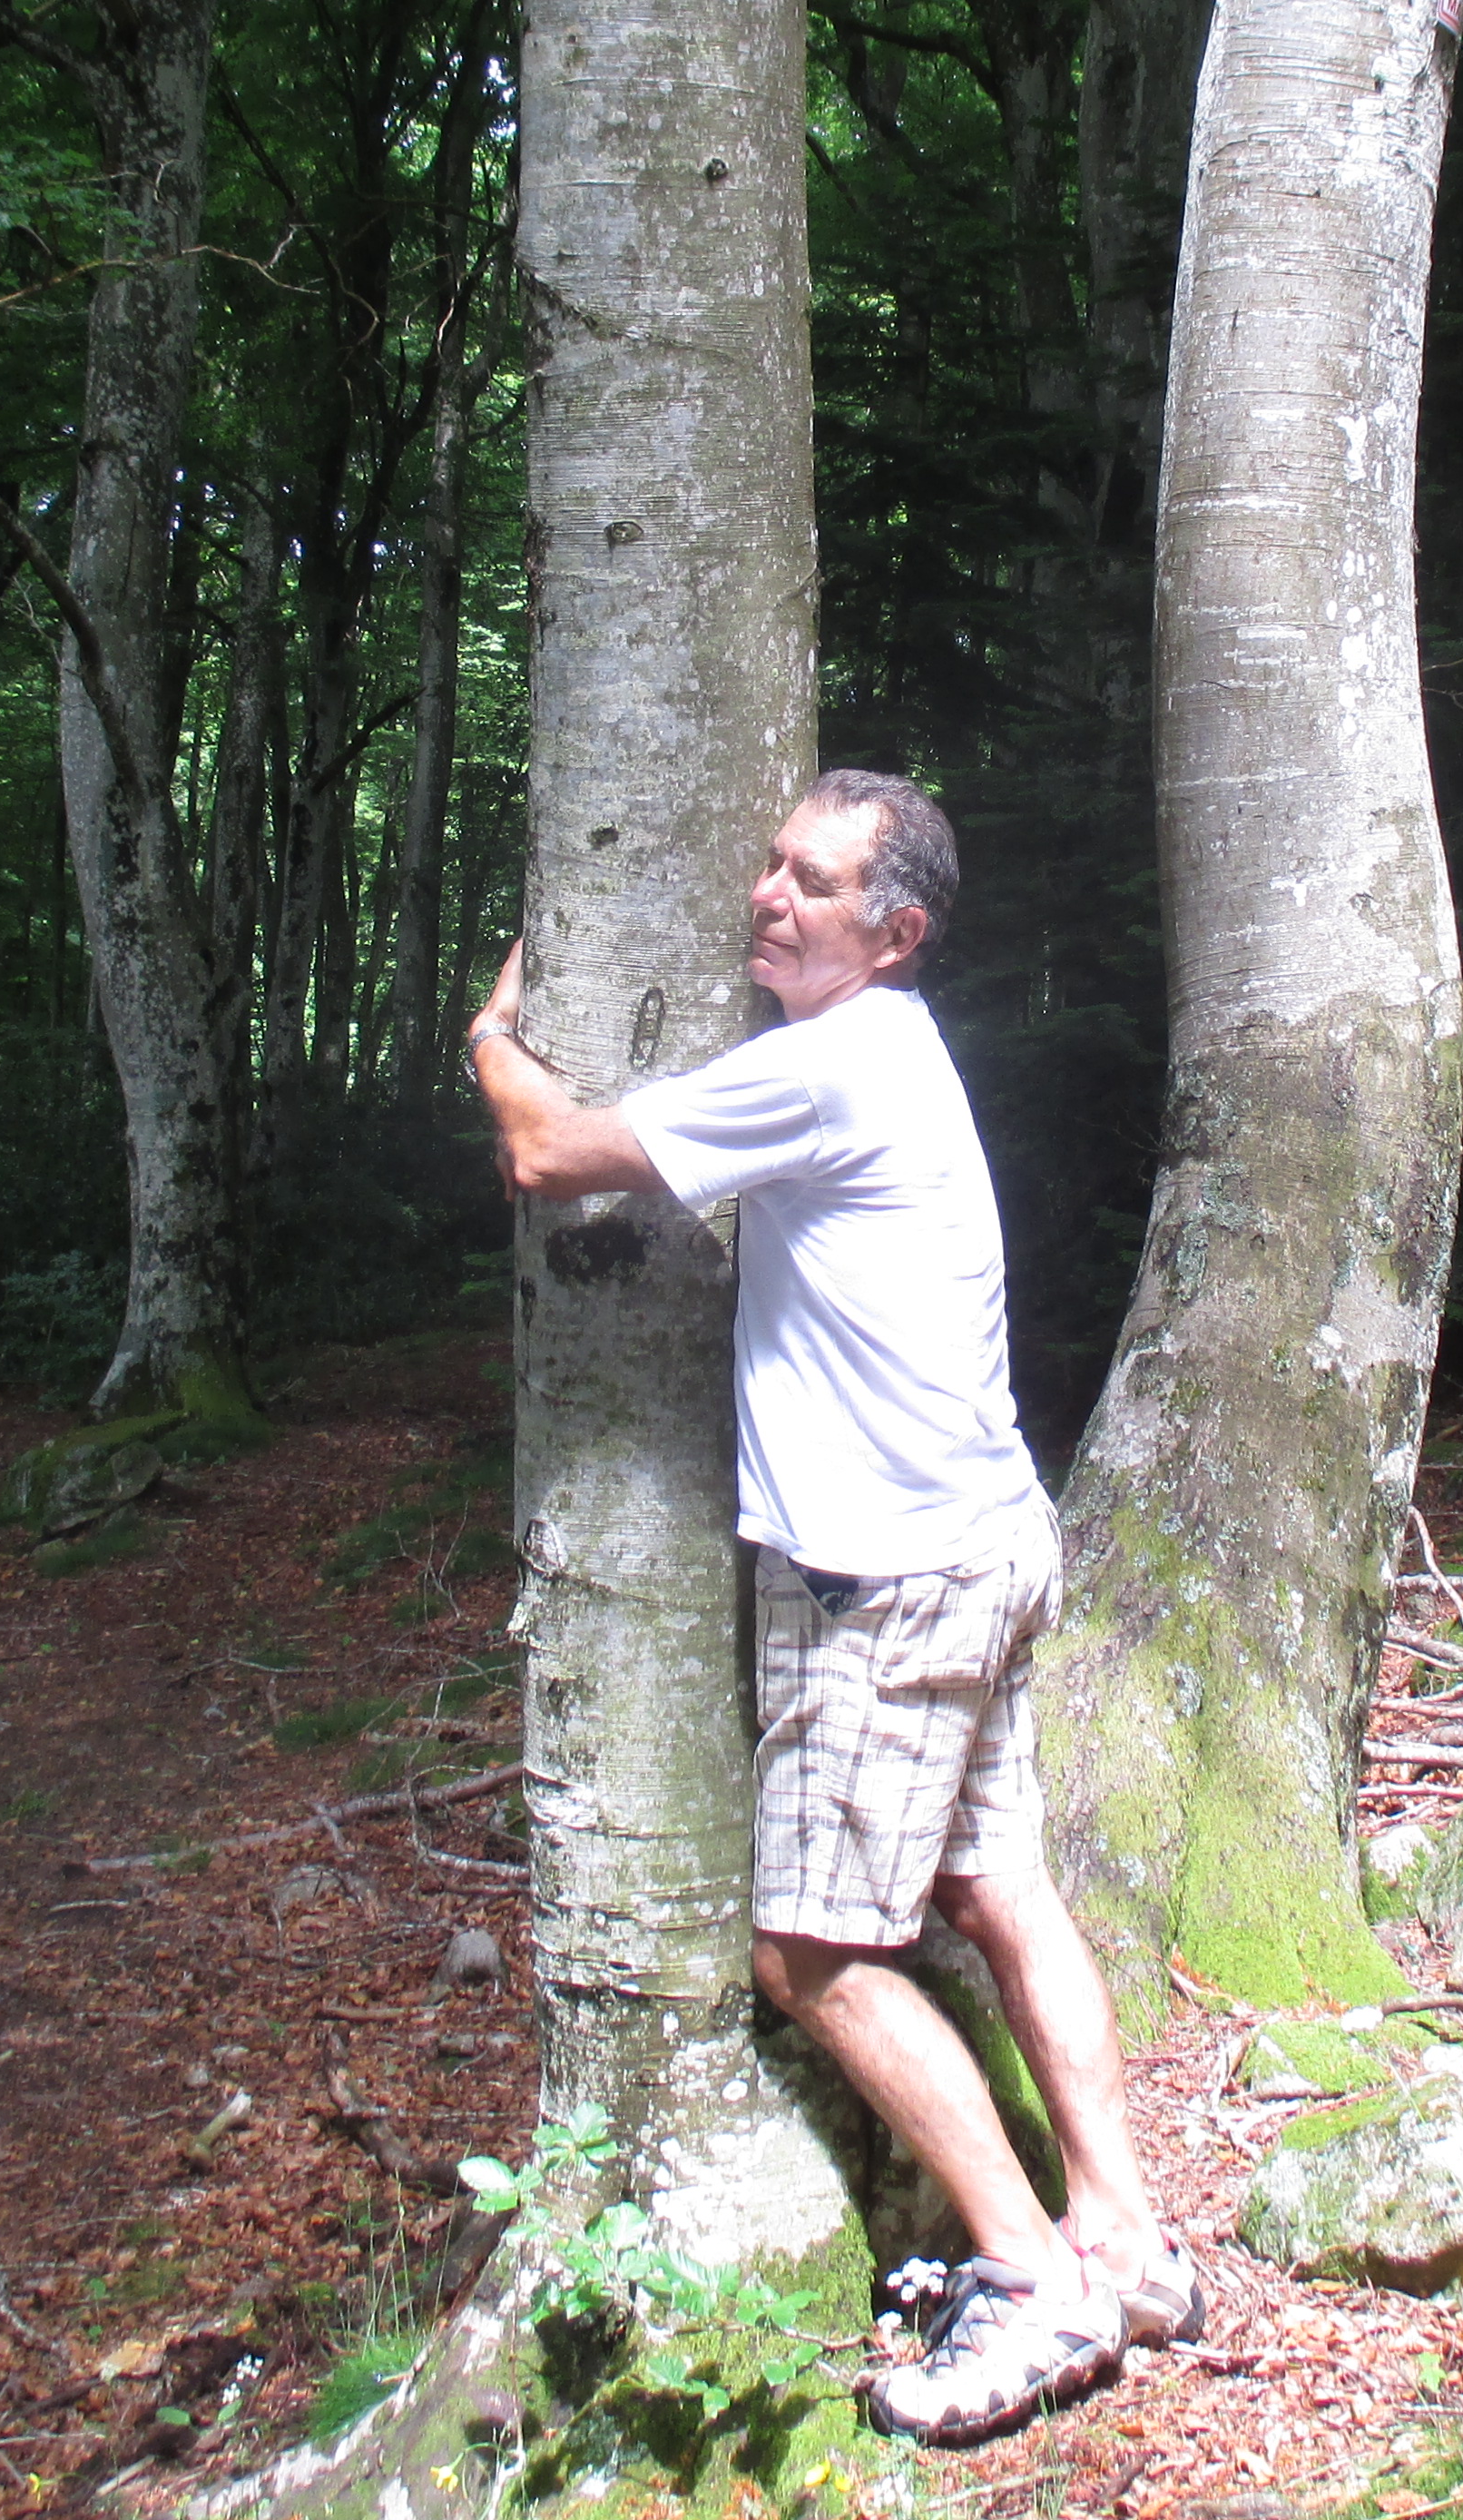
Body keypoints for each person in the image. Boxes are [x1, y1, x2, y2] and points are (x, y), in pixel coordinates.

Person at [465, 769, 1196, 2444]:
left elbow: (547, 1155)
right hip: (987, 1540)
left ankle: (1035, 2281)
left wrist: (493, 1037)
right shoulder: (883, 1054)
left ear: (897, 932)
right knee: (998, 1883)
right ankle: (1127, 2239)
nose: (766, 896)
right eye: (772, 863)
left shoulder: (831, 1066)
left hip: (892, 1585)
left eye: (812, 881)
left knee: (814, 1952)